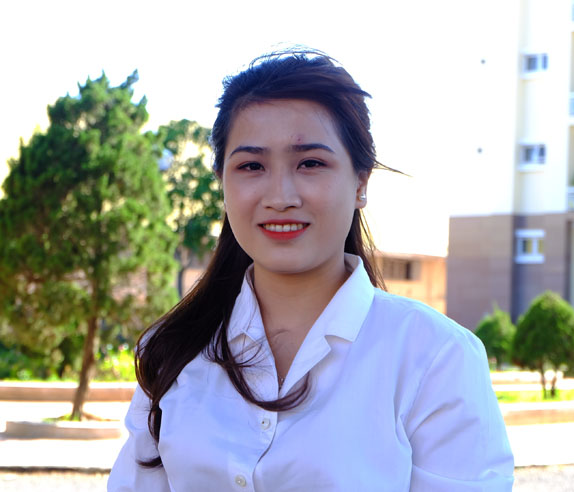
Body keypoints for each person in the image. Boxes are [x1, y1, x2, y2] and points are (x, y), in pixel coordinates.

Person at [108, 50, 514, 491]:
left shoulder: (435, 357)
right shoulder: (172, 350)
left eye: (310, 163)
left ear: (361, 183)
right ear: (223, 183)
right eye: (251, 166)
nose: (280, 196)